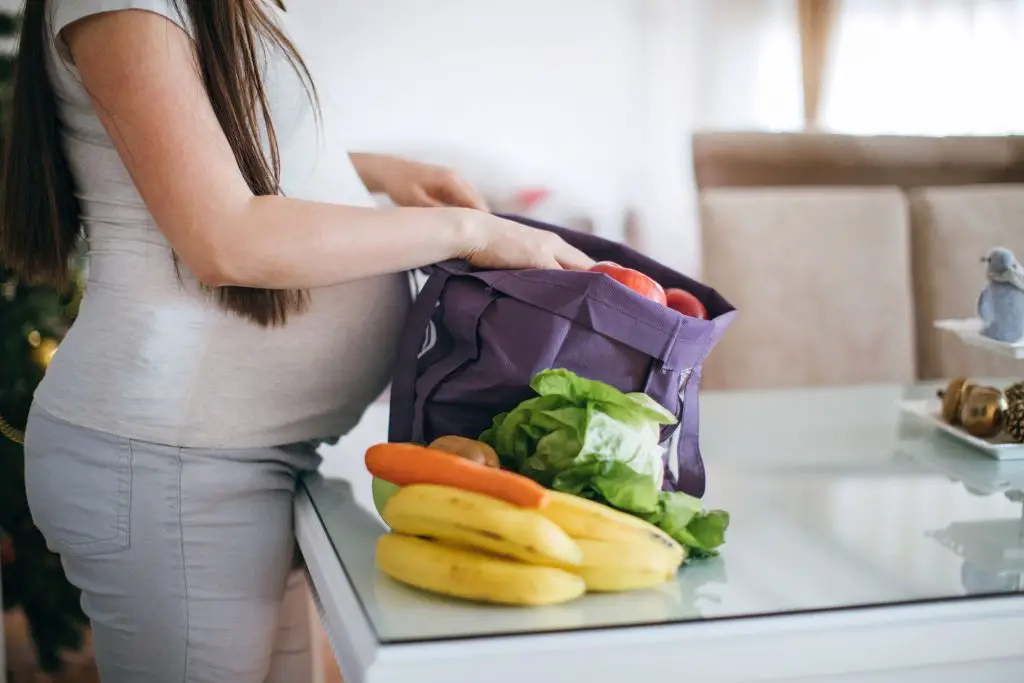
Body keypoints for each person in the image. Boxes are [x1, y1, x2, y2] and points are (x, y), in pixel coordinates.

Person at [0, 1, 595, 681]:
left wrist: (375, 170)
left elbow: (227, 143)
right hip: (170, 462)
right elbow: (225, 238)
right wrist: (471, 231)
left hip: (244, 453)